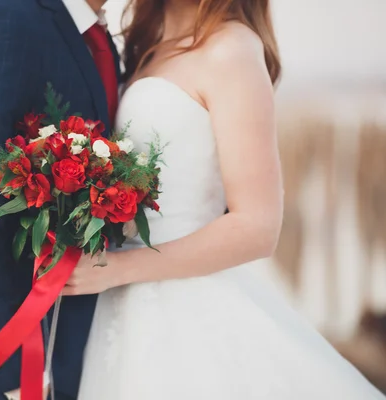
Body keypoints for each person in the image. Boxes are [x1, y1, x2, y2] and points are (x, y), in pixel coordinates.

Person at [64, 0, 386, 399]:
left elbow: (257, 227)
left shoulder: (231, 48)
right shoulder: (143, 41)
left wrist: (116, 268)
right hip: (114, 304)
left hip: (182, 303)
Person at [0, 0, 118, 398]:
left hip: (94, 342)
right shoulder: (3, 21)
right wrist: (18, 372)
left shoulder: (102, 42)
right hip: (17, 353)